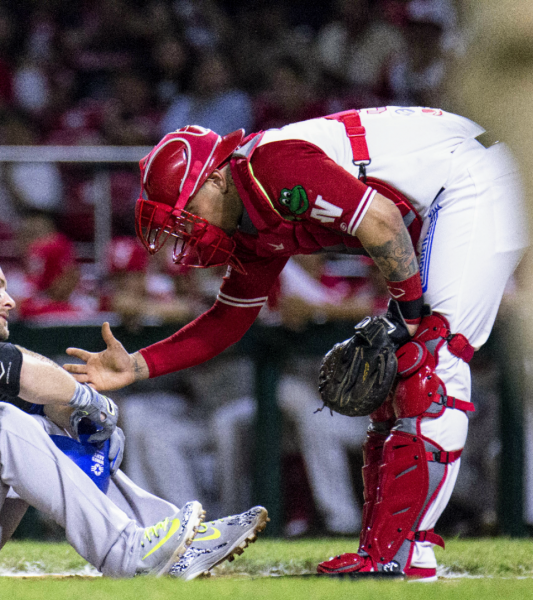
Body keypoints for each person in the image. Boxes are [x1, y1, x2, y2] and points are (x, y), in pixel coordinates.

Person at [64, 107, 528, 580]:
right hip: (444, 191)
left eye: (187, 211)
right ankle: (390, 551)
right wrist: (137, 365)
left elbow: (382, 222)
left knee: (429, 359)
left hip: (473, 175)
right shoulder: (247, 219)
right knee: (396, 382)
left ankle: (400, 553)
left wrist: (409, 317)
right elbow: (226, 322)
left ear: (217, 179)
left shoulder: (272, 167)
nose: (186, 229)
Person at [0, 246, 268, 579]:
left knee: (43, 430)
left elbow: (37, 416)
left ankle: (168, 540)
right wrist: (87, 399)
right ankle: (128, 552)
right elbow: (17, 369)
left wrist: (75, 425)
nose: (9, 300)